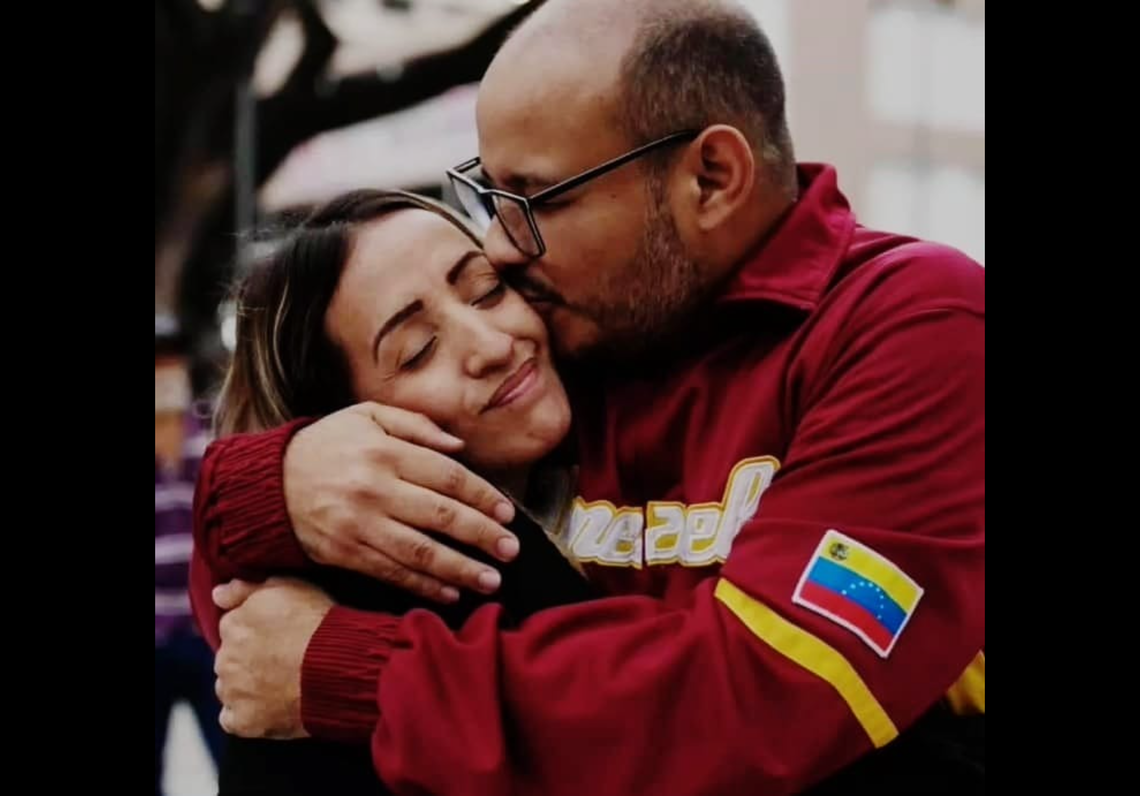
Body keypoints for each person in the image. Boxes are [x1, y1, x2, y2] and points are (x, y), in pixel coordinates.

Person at [199, 1, 985, 793]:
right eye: (490, 200)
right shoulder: (564, 342)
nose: (503, 248)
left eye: (537, 199)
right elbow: (252, 627)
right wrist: (273, 486)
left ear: (710, 179)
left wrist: (363, 677)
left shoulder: (909, 325)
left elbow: (757, 704)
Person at [194, 189, 596, 795]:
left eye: (487, 289)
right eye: (418, 351)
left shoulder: (643, 398)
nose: (491, 346)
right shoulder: (308, 627)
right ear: (342, 423)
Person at [155, 326, 225, 796]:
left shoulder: (213, 439)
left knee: (235, 757)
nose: (165, 375)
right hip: (155, 637)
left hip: (207, 634)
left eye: (171, 363)